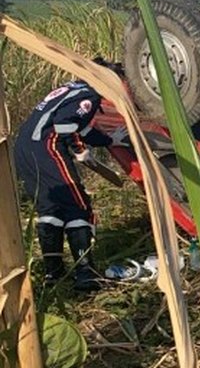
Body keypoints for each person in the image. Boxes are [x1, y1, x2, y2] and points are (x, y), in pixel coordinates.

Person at [14, 65, 128, 291]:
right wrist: (79, 150)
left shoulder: (72, 88)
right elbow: (66, 126)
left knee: (50, 208)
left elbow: (79, 127)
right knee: (78, 206)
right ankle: (85, 273)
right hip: (47, 148)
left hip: (24, 149)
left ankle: (53, 273)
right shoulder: (89, 95)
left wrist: (108, 141)